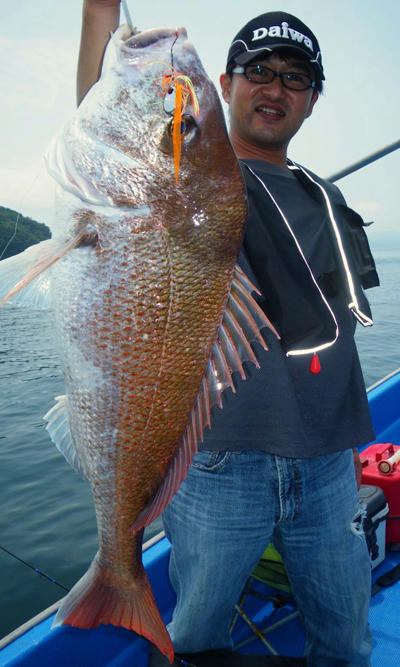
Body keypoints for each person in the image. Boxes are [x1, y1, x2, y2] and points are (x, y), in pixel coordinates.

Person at [77, 3, 380, 666]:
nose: (275, 87)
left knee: (347, 634)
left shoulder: (321, 194)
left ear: (313, 99)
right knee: (194, 637)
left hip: (330, 461)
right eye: (258, 70)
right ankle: (119, 575)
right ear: (226, 83)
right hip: (219, 464)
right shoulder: (193, 184)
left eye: (295, 77)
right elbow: (112, 136)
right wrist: (99, 17)